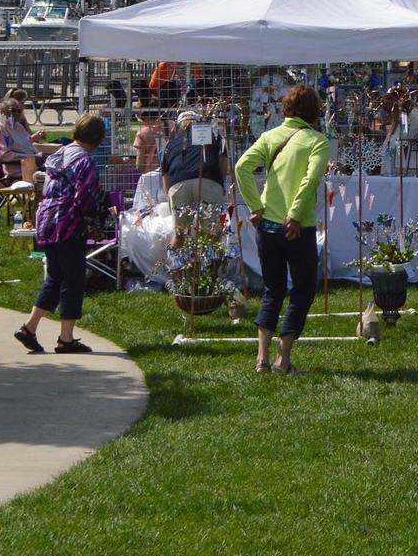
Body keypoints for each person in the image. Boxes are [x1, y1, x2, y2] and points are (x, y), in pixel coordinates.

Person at [235, 85, 329, 375]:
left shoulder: (268, 136)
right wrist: (296, 215)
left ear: (286, 108)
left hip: (267, 226)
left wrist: (254, 206)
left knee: (272, 289)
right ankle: (283, 359)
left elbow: (241, 167)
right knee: (303, 289)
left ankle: (261, 359)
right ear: (315, 111)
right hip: (298, 227)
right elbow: (311, 180)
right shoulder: (318, 141)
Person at [13, 114, 110, 355]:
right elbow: (84, 197)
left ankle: (29, 328)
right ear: (98, 139)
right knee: (74, 280)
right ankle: (66, 339)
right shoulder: (85, 161)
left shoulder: (59, 154)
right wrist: (102, 210)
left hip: (46, 220)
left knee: (55, 277)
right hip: (68, 223)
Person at [162, 109, 231, 250]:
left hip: (179, 184)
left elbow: (166, 177)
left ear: (178, 126)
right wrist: (219, 183)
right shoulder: (213, 136)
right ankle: (210, 270)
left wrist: (169, 196)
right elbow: (223, 162)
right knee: (212, 234)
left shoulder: (170, 144)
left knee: (180, 234)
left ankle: (175, 268)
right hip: (209, 181)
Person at [0, 97, 55, 183]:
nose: (16, 113)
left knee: (61, 166)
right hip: (18, 169)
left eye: (19, 111)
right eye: (13, 110)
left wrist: (38, 152)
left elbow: (26, 144)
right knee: (57, 173)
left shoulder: (18, 126)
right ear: (3, 111)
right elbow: (4, 156)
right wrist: (32, 158)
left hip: (35, 163)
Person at [132, 109, 161, 173]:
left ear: (147, 118)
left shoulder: (142, 133)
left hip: (150, 171)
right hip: (169, 172)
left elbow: (140, 161)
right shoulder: (171, 126)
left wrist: (139, 170)